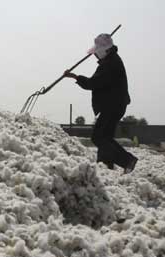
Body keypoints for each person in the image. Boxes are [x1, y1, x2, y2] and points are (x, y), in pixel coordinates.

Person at [63, 33, 138, 173]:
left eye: (96, 52)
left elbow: (93, 83)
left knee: (98, 136)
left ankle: (127, 160)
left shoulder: (110, 64)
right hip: (115, 104)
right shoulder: (111, 60)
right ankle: (105, 167)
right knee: (105, 137)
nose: (95, 55)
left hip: (113, 105)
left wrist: (74, 76)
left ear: (103, 50)